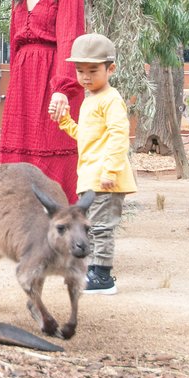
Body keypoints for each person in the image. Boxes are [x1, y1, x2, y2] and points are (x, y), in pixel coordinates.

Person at [0, 0, 85, 203]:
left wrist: (62, 89)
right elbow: (14, 43)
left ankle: (61, 234)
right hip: (23, 84)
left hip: (54, 82)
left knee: (54, 148)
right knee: (19, 155)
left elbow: (70, 39)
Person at [53, 33, 137, 295]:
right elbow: (87, 136)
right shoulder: (91, 99)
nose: (86, 77)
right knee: (91, 226)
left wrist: (110, 170)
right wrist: (65, 121)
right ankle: (93, 270)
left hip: (105, 179)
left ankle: (103, 277)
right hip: (90, 178)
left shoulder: (111, 99)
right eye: (80, 71)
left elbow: (118, 135)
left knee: (101, 227)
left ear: (110, 69)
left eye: (93, 70)